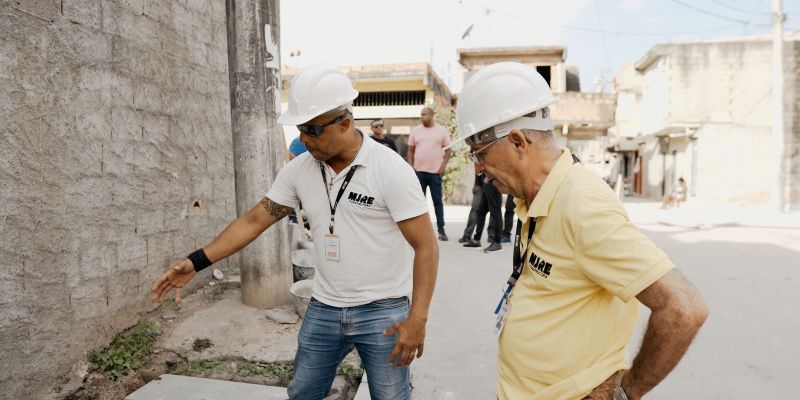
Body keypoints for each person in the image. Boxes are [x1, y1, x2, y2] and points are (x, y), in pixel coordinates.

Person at [151, 64, 439, 400]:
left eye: (313, 130)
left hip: (383, 312)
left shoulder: (390, 170)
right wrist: (197, 261)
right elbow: (253, 221)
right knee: (303, 392)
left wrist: (417, 317)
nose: (304, 139)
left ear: (345, 122)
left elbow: (426, 247)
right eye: (301, 128)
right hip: (324, 307)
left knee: (390, 396)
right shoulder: (299, 170)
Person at [451, 62, 708, 400]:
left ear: (517, 141)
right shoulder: (538, 196)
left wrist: (625, 392)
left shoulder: (584, 205)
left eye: (479, 153)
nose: (478, 168)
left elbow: (684, 307)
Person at [407, 107, 452, 241]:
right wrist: (411, 167)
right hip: (419, 173)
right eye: (421, 114)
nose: (421, 116)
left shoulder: (441, 131)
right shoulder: (415, 131)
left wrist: (443, 166)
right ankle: (419, 232)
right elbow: (410, 151)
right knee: (418, 203)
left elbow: (448, 151)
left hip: (435, 173)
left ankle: (441, 231)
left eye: (424, 114)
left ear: (431, 115)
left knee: (437, 202)